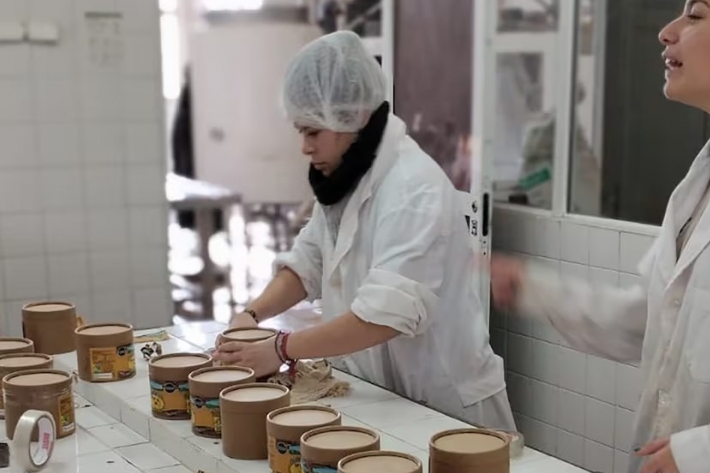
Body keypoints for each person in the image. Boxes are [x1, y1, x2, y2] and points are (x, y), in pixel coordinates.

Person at [492, 1, 710, 472]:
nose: (666, 33)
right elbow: (652, 320)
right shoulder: (708, 175)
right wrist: (531, 289)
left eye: (694, 15)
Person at [214, 30, 515, 432]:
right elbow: (309, 262)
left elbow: (384, 317)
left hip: (444, 407)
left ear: (351, 117)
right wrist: (251, 315)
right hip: (384, 396)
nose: (303, 147)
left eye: (311, 132)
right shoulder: (349, 177)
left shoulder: (412, 188)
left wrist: (280, 348)